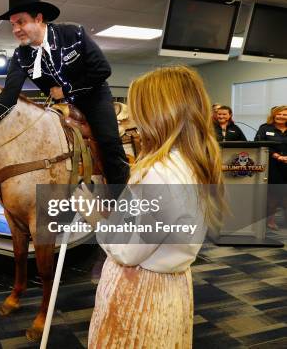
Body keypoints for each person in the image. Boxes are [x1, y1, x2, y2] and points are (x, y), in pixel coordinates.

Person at [74, 66, 226, 348]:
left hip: (141, 289)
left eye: (137, 109)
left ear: (159, 113)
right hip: (170, 286)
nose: (130, 118)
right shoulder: (192, 162)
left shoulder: (160, 173)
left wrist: (93, 215)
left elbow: (127, 251)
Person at [0, 0, 129, 185]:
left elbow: (102, 70)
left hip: (94, 98)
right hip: (61, 107)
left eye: (20, 22)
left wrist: (66, 90)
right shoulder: (21, 56)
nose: (15, 30)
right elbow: (9, 94)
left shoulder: (73, 34)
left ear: (38, 19)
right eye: (13, 25)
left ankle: (122, 197)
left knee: (109, 142)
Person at [254, 105, 287, 230]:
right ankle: (270, 220)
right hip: (271, 165)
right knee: (273, 194)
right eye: (279, 114)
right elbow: (259, 143)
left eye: (284, 114)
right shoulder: (265, 128)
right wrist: (276, 155)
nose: (281, 116)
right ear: (273, 115)